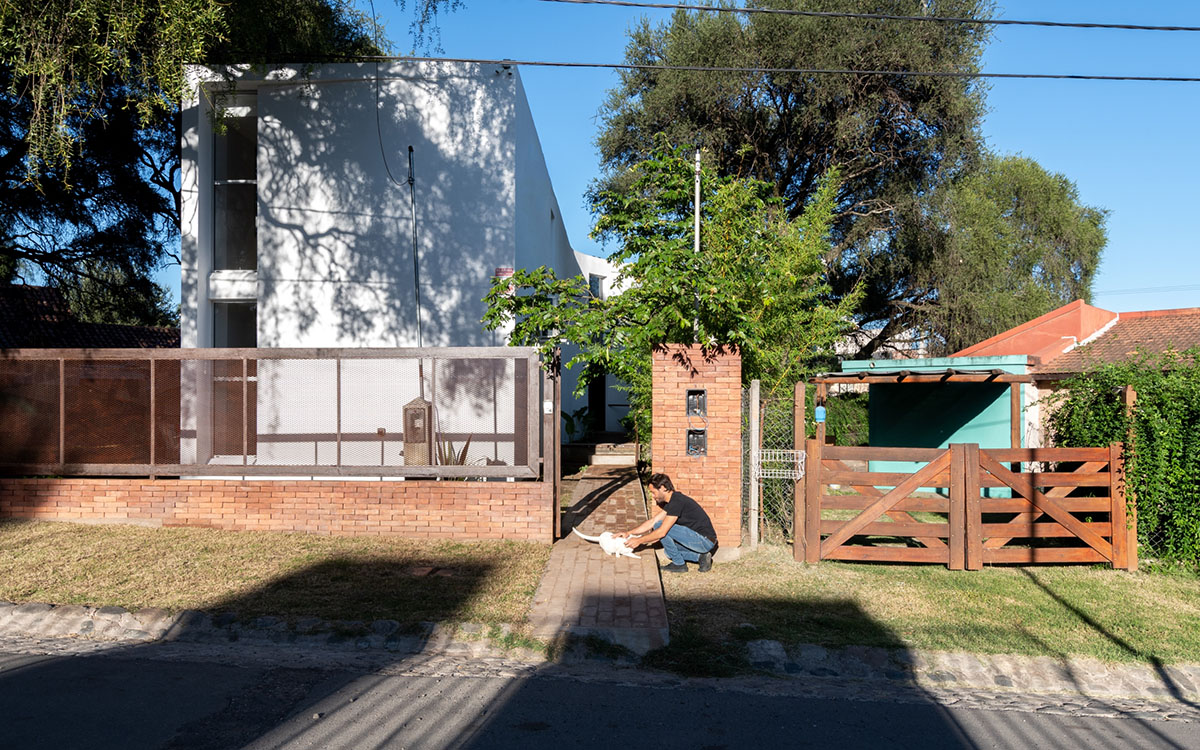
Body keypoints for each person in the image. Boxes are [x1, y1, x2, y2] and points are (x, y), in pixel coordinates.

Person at [617, 473, 717, 573]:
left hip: (703, 541)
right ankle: (701, 557)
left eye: (653, 492)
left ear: (663, 488)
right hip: (701, 542)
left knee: (660, 526)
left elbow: (661, 531)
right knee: (669, 552)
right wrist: (628, 533)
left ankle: (679, 565)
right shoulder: (674, 501)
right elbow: (652, 521)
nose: (653, 496)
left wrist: (639, 540)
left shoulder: (677, 502)